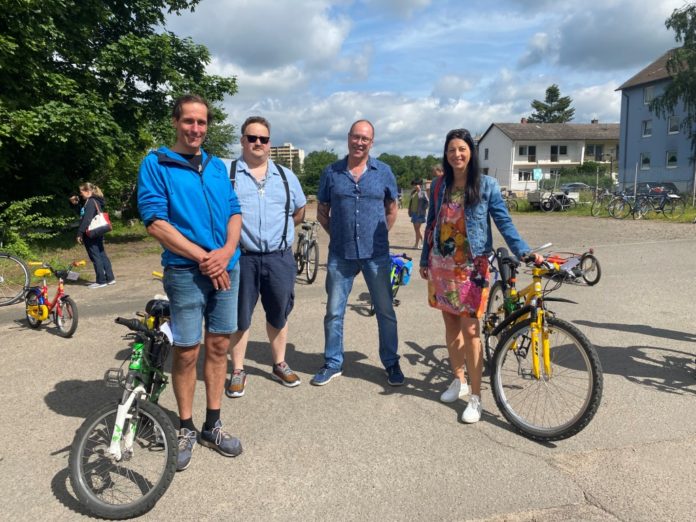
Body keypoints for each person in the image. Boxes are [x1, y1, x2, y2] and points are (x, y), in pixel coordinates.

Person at [137, 94, 243, 471]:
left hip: (227, 268)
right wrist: (204, 258)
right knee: (186, 350)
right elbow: (155, 222)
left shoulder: (216, 166)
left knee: (219, 346)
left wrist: (225, 252)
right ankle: (185, 427)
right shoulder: (157, 163)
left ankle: (212, 425)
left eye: (201, 122)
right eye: (188, 121)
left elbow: (234, 212)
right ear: (175, 122)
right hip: (186, 271)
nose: (195, 128)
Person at [419, 128, 541, 424]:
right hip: (441, 265)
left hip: (472, 268)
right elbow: (432, 223)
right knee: (451, 326)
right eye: (451, 150)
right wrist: (424, 259)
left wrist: (523, 251)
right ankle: (458, 379)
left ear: (471, 152)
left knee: (472, 332)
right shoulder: (439, 185)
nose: (456, 154)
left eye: (462, 149)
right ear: (446, 154)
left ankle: (476, 397)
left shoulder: (486, 185)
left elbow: (503, 222)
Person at [311, 120, 404, 387]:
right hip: (341, 254)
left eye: (365, 139)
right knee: (334, 311)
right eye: (356, 137)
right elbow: (322, 211)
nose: (359, 142)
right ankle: (333, 362)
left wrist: (379, 236)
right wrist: (338, 235)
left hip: (376, 254)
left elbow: (392, 209)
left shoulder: (383, 172)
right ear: (348, 138)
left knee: (385, 311)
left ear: (371, 143)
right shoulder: (332, 172)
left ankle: (391, 362)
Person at [225, 116, 307, 398]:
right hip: (243, 257)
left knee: (279, 312)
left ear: (270, 143)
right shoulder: (229, 174)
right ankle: (238, 369)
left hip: (279, 258)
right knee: (240, 316)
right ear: (242, 141)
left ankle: (279, 363)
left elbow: (299, 211)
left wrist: (280, 232)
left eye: (263, 138)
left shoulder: (286, 176)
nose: (258, 143)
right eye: (252, 138)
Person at [75, 183, 115, 289]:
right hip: (98, 231)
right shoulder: (96, 200)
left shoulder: (90, 202)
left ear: (88, 191)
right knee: (101, 254)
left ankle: (101, 281)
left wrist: (80, 233)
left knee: (95, 256)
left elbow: (87, 219)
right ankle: (110, 278)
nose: (80, 194)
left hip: (91, 233)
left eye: (81, 192)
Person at [407, 179, 428, 249]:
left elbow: (427, 202)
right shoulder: (413, 192)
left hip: (420, 213)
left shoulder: (423, 192)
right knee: (416, 229)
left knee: (417, 229)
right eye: (413, 185)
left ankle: (417, 244)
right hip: (413, 213)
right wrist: (409, 210)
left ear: (419, 185)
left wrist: (423, 209)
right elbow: (411, 202)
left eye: (416, 185)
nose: (414, 186)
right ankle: (422, 242)